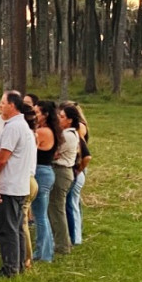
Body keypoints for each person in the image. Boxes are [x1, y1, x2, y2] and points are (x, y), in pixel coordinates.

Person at [0, 91, 34, 277]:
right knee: (16, 227)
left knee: (8, 229)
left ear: (12, 105)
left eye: (3, 102)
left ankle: (10, 268)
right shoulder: (23, 126)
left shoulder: (12, 128)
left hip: (9, 185)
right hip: (20, 184)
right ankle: (17, 264)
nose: (0, 106)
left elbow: (2, 158)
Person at [47, 104, 79, 257]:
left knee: (57, 209)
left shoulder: (68, 135)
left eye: (62, 117)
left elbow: (54, 154)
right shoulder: (68, 133)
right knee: (55, 209)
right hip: (61, 172)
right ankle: (60, 240)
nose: (59, 119)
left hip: (61, 172)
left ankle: (62, 244)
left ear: (70, 120)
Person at [30, 100, 59, 262]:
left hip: (41, 172)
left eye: (37, 113)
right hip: (45, 172)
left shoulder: (43, 132)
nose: (34, 116)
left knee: (40, 216)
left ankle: (44, 253)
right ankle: (45, 250)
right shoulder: (49, 130)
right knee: (41, 214)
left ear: (45, 115)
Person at [64, 102, 90, 245]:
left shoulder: (75, 133)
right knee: (72, 203)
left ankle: (76, 238)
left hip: (75, 172)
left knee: (72, 203)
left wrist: (78, 171)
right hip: (75, 172)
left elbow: (87, 156)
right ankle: (74, 235)